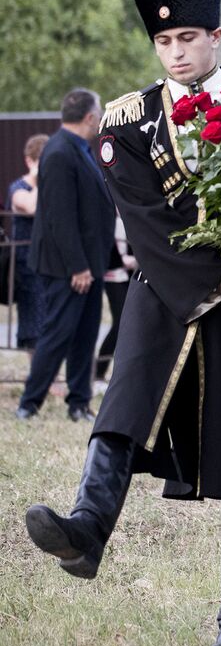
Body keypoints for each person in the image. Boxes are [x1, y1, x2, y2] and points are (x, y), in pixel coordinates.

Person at [24, 0, 221, 646]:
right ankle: (86, 532)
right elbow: (144, 221)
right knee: (122, 407)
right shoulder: (127, 118)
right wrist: (216, 274)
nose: (176, 51)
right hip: (165, 284)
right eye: (164, 39)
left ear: (216, 37)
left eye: (188, 37)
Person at [16, 89, 115, 423]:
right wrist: (78, 267)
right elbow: (60, 216)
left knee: (86, 333)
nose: (100, 117)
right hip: (68, 266)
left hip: (90, 262)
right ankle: (29, 404)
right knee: (59, 333)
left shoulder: (78, 149)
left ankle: (78, 402)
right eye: (98, 112)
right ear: (88, 117)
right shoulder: (59, 152)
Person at [8, 133, 49, 350]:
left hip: (48, 262)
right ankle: (40, 377)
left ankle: (48, 378)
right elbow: (32, 207)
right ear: (29, 161)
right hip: (26, 266)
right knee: (33, 323)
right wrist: (39, 177)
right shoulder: (18, 188)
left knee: (51, 321)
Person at [94, 217, 137, 382]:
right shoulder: (109, 211)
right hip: (113, 274)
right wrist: (122, 261)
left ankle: (123, 373)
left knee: (131, 323)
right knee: (120, 323)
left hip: (130, 274)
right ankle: (99, 371)